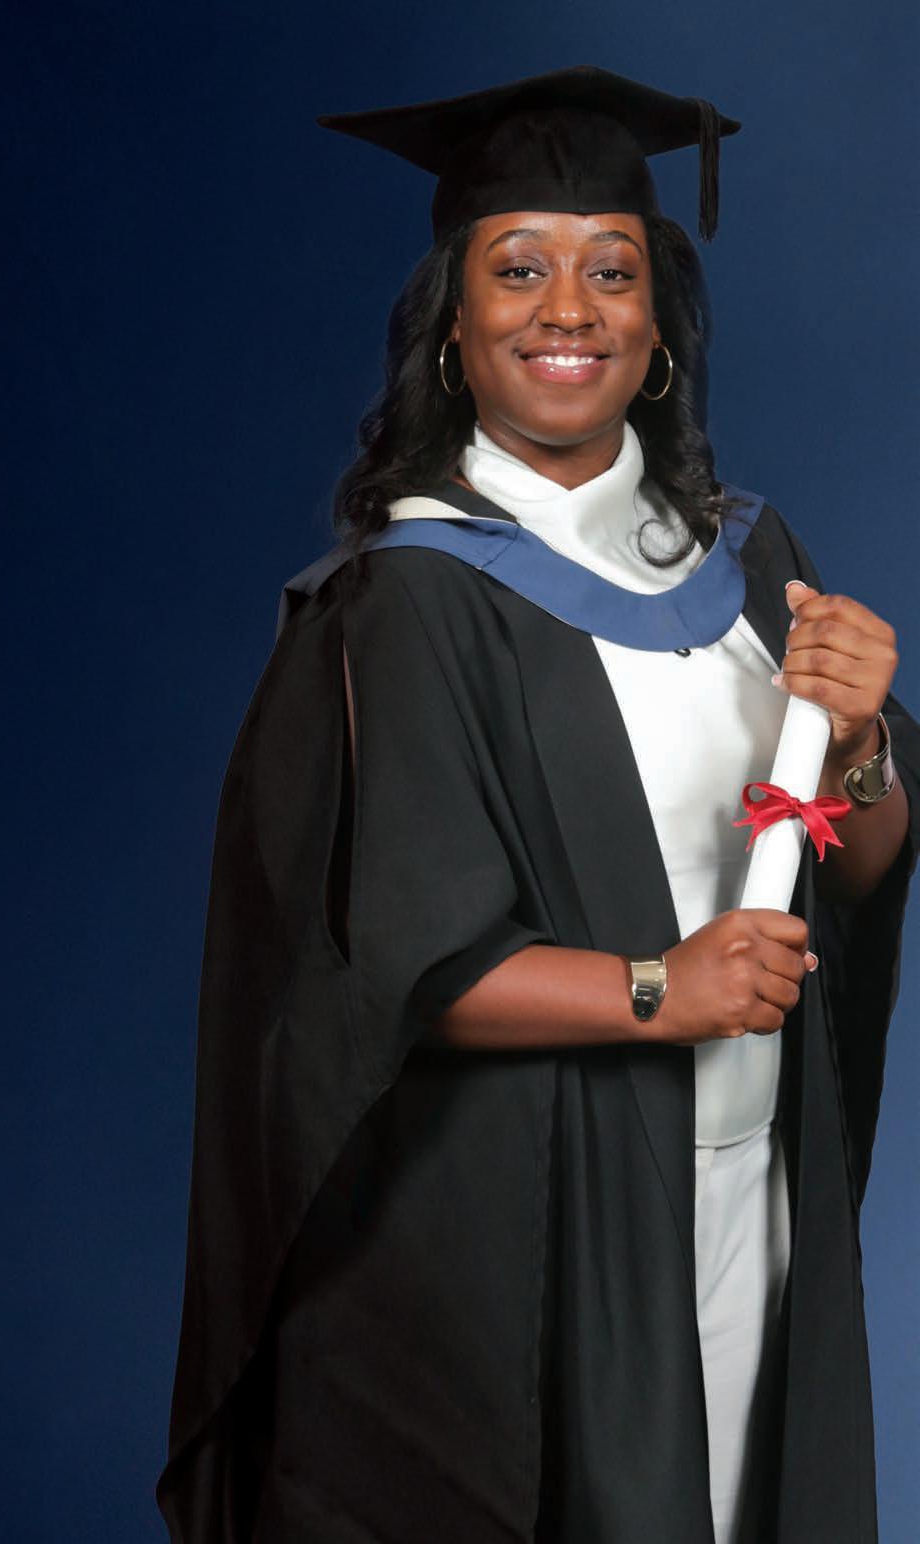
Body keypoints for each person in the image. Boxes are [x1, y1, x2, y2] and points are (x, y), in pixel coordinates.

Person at [157, 65, 919, 1543]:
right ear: (453, 326)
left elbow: (865, 863)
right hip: (540, 1227)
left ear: (659, 325)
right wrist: (663, 987)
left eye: (611, 271)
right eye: (519, 269)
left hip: (747, 1188)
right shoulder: (410, 600)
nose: (568, 307)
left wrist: (862, 743)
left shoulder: (751, 563)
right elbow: (389, 968)